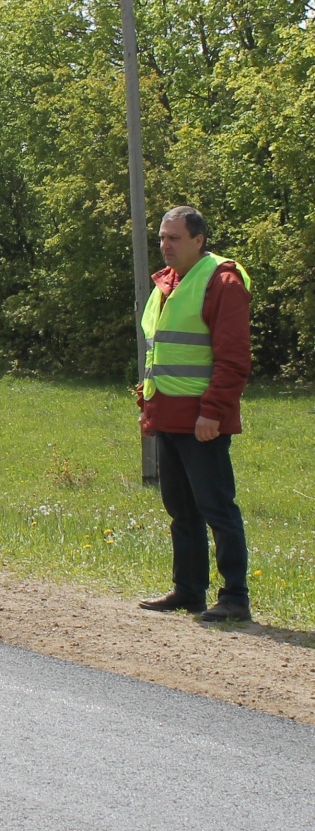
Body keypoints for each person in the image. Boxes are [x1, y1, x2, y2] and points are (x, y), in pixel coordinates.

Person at [137, 206, 253, 623]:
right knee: (181, 511)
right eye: (163, 238)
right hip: (167, 413)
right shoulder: (167, 282)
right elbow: (159, 353)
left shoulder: (223, 281)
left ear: (198, 241)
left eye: (175, 239)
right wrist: (148, 406)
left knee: (217, 509)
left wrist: (213, 413)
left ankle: (235, 598)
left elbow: (234, 359)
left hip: (202, 421)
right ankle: (188, 591)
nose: (166, 246)